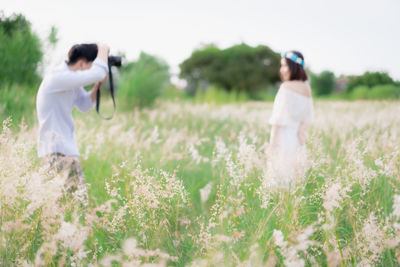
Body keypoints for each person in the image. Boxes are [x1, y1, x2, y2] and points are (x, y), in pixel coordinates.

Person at [36, 43, 110, 205]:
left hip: (65, 149)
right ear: (82, 63)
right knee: (63, 206)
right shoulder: (58, 77)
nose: (91, 72)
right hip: (55, 151)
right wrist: (103, 48)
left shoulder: (69, 81)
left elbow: (84, 105)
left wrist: (99, 84)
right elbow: (98, 72)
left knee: (75, 206)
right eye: (91, 66)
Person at [268, 50, 314, 188]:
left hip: (282, 139)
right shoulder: (307, 88)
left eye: (285, 65)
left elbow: (278, 120)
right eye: (281, 65)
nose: (282, 70)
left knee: (278, 183)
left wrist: (273, 146)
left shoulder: (285, 87)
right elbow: (308, 117)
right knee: (294, 183)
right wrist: (301, 134)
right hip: (297, 141)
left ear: (293, 67)